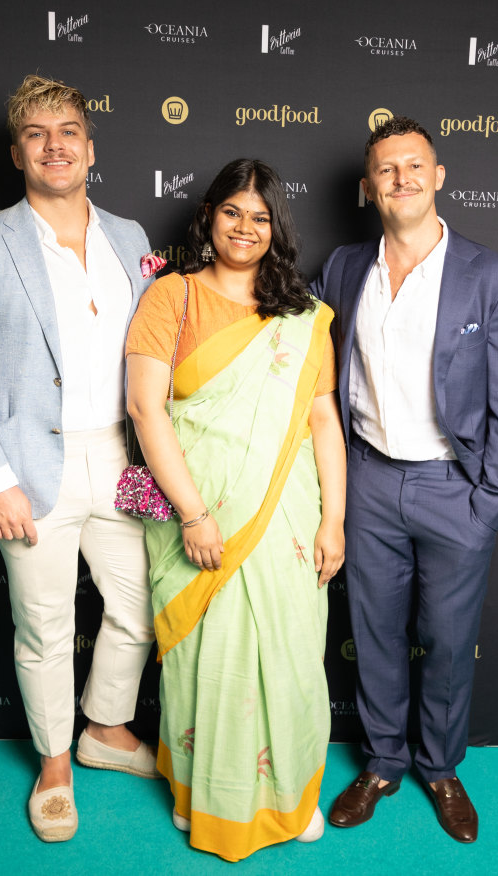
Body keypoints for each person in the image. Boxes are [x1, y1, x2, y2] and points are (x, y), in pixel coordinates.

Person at [0, 75, 160, 843]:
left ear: (91, 147)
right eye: (37, 134)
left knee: (138, 608)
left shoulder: (132, 238)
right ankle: (56, 763)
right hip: (28, 464)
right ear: (16, 153)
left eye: (67, 129)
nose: (55, 144)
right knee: (42, 626)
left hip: (121, 453)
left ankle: (106, 727)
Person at [311, 115, 498, 843]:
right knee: (371, 633)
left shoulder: (494, 276)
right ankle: (381, 763)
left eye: (414, 166)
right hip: (368, 481)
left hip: (452, 491)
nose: (401, 178)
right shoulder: (344, 267)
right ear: (369, 186)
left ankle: (440, 767)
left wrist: (486, 505)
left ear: (437, 177)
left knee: (445, 637)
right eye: (386, 169)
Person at [126, 158, 346, 861]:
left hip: (286, 518)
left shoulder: (303, 317)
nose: (245, 228)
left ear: (276, 228)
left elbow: (322, 420)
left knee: (287, 655)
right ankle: (204, 792)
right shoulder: (173, 298)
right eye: (232, 213)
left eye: (260, 217)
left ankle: (285, 799)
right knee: (208, 663)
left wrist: (333, 518)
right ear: (209, 218)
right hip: (202, 515)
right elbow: (144, 408)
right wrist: (193, 513)